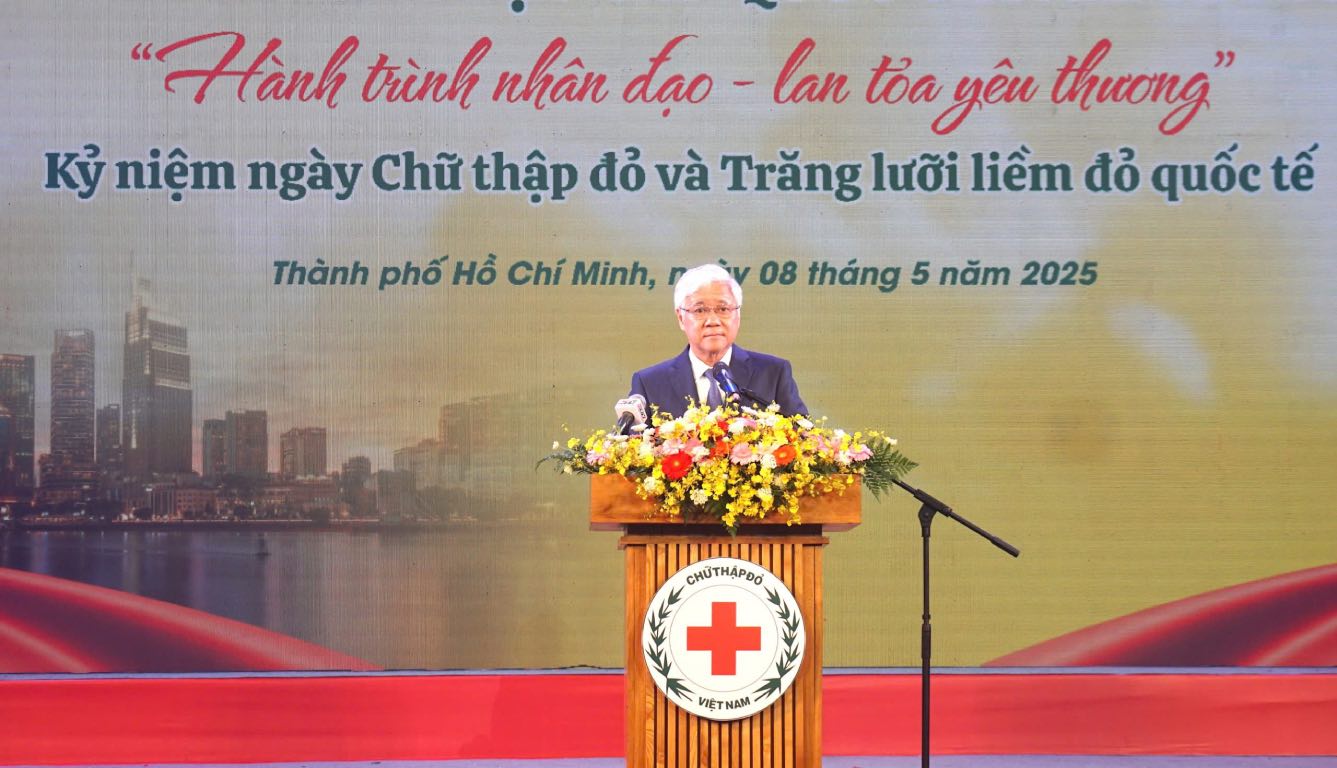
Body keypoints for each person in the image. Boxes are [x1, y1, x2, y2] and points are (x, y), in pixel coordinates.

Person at [629, 264, 807, 420]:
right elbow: (631, 450)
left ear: (738, 314)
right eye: (700, 310)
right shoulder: (650, 383)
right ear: (681, 318)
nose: (712, 320)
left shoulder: (773, 373)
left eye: (723, 309)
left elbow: (806, 440)